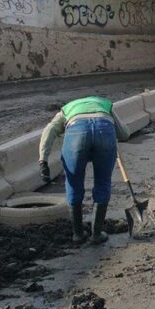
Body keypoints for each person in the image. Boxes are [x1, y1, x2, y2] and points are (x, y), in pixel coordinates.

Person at [39, 95, 130, 244]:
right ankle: (96, 234)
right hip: (104, 130)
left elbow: (49, 130)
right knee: (103, 182)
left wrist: (43, 160)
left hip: (76, 134)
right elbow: (124, 134)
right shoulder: (105, 105)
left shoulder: (66, 110)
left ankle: (78, 234)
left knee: (74, 184)